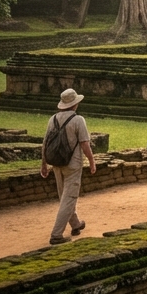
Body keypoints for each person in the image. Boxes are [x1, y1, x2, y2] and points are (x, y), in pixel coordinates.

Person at [41, 88, 96, 245]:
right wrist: (92, 161)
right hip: (73, 163)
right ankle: (56, 234)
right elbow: (85, 144)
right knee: (69, 198)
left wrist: (43, 163)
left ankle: (75, 224)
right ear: (75, 104)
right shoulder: (78, 120)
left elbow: (45, 143)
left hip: (56, 162)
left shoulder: (53, 119)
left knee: (64, 196)